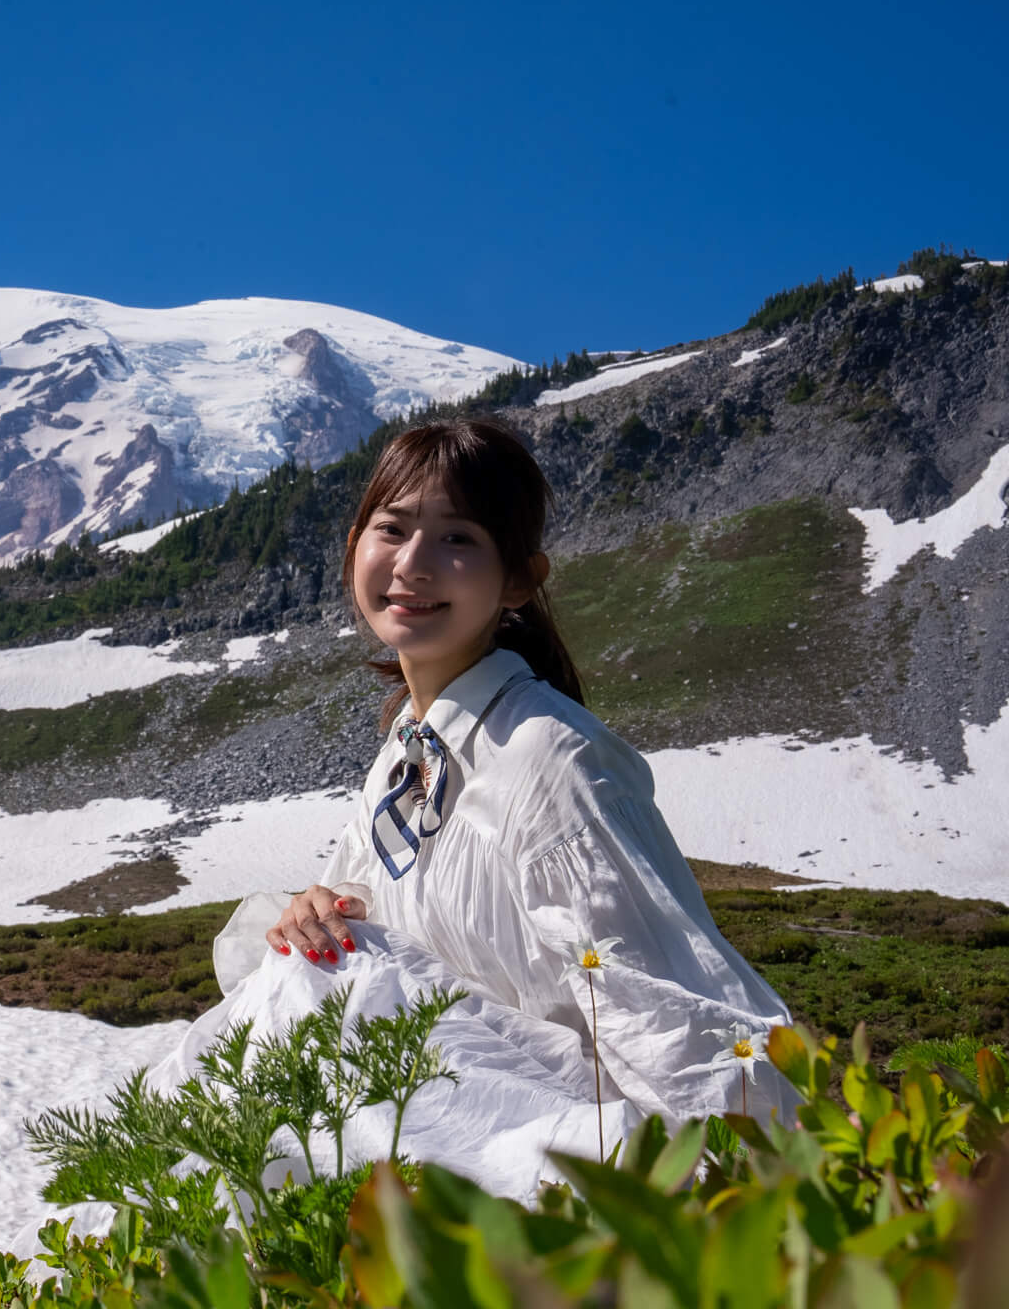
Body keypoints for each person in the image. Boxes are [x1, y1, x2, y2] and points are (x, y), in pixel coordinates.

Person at [146, 416, 796, 1202]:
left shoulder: (552, 758)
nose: (413, 565)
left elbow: (658, 1000)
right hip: (436, 1128)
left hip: (542, 1153)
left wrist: (761, 1180)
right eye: (392, 529)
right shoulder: (408, 752)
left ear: (519, 580)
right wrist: (312, 914)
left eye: (457, 539)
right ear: (354, 544)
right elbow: (368, 927)